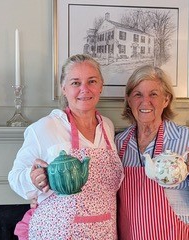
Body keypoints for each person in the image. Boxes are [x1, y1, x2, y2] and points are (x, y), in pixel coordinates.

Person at [8, 54, 124, 239]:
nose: (84, 89)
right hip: (58, 233)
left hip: (104, 233)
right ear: (63, 88)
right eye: (75, 83)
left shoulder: (107, 127)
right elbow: (15, 178)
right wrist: (33, 179)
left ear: (101, 86)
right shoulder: (45, 128)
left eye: (91, 81)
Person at [115, 65, 189, 240]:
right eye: (138, 94)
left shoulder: (184, 138)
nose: (145, 101)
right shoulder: (120, 143)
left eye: (153, 94)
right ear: (129, 100)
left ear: (166, 100)